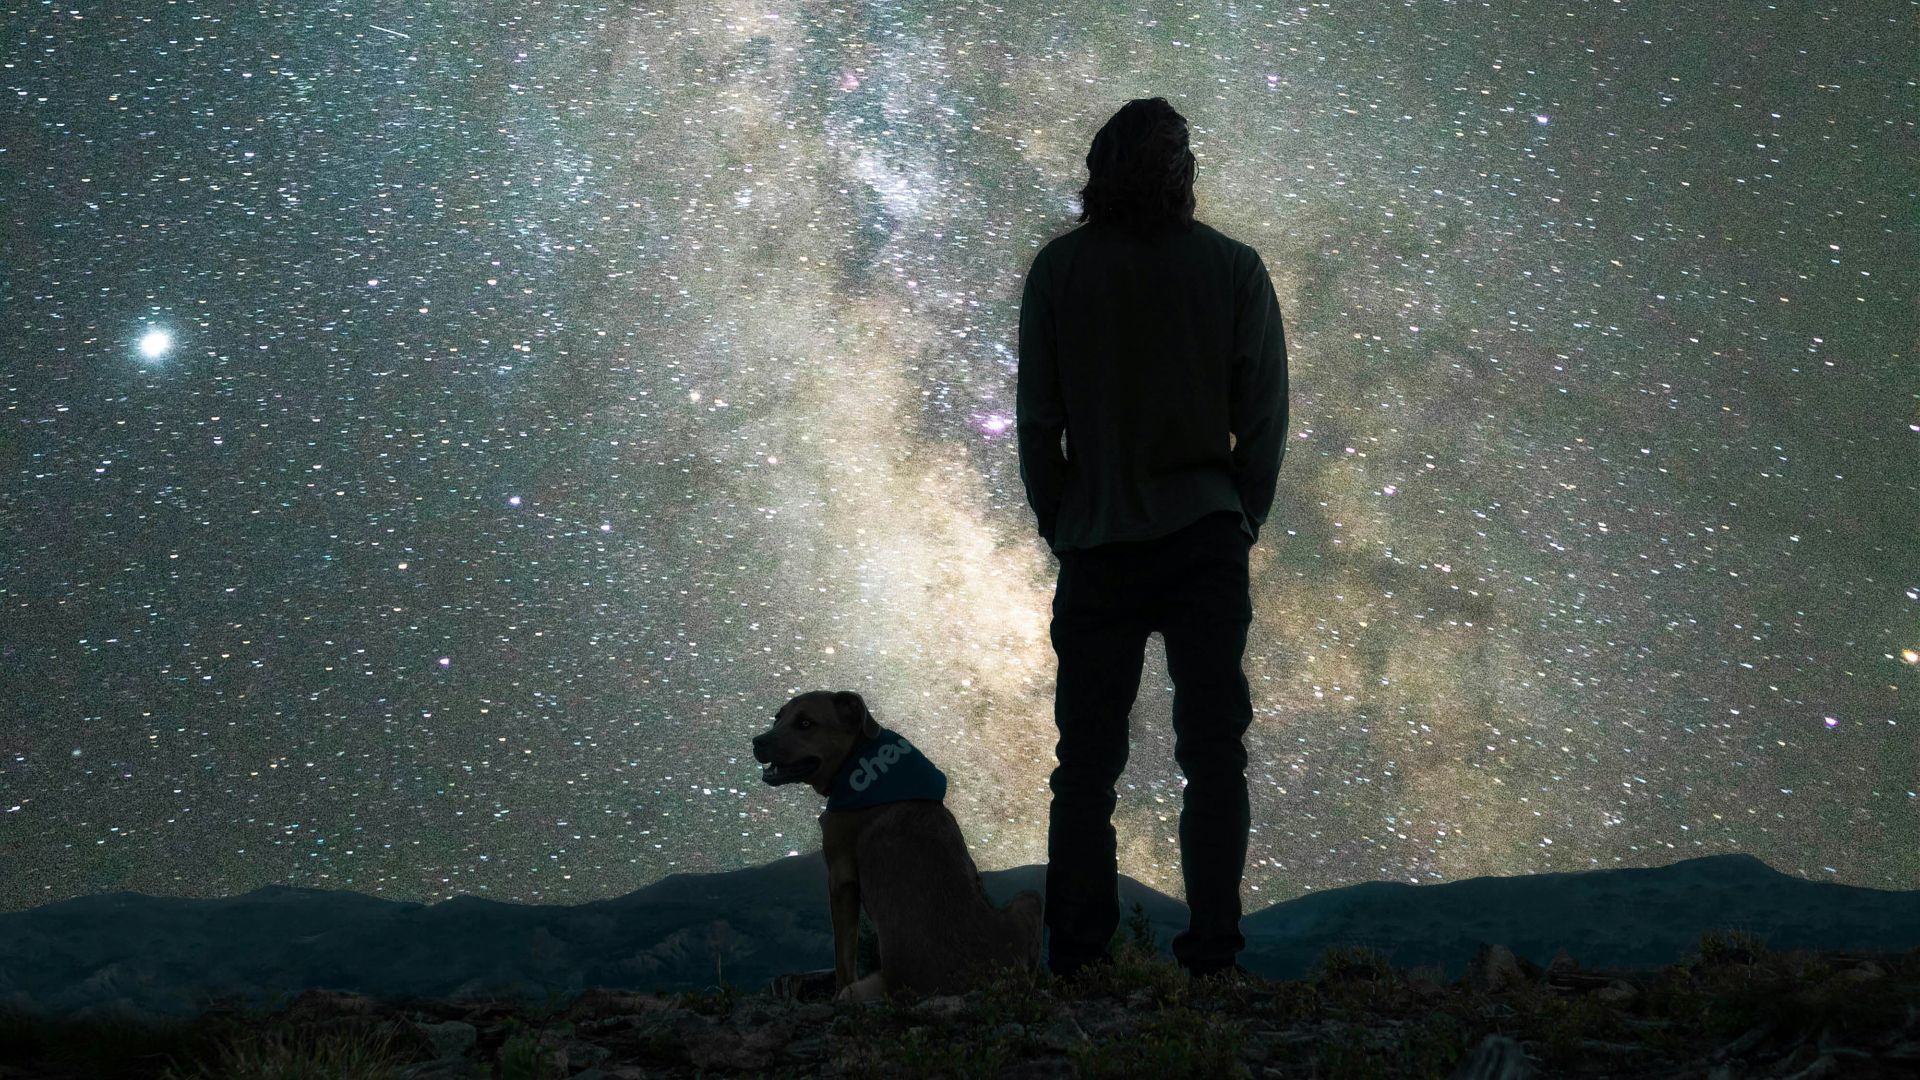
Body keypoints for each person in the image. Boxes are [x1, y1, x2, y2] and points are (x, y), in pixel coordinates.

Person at [1015, 96, 1289, 982]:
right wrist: (1242, 514)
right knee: (1213, 751)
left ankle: (1080, 957)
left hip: (1098, 541)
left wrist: (1060, 519)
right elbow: (1265, 416)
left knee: (1085, 764)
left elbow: (1038, 420)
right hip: (1205, 536)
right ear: (1184, 171)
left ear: (1098, 167)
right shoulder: (1234, 269)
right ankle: (1213, 952)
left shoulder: (1060, 271)